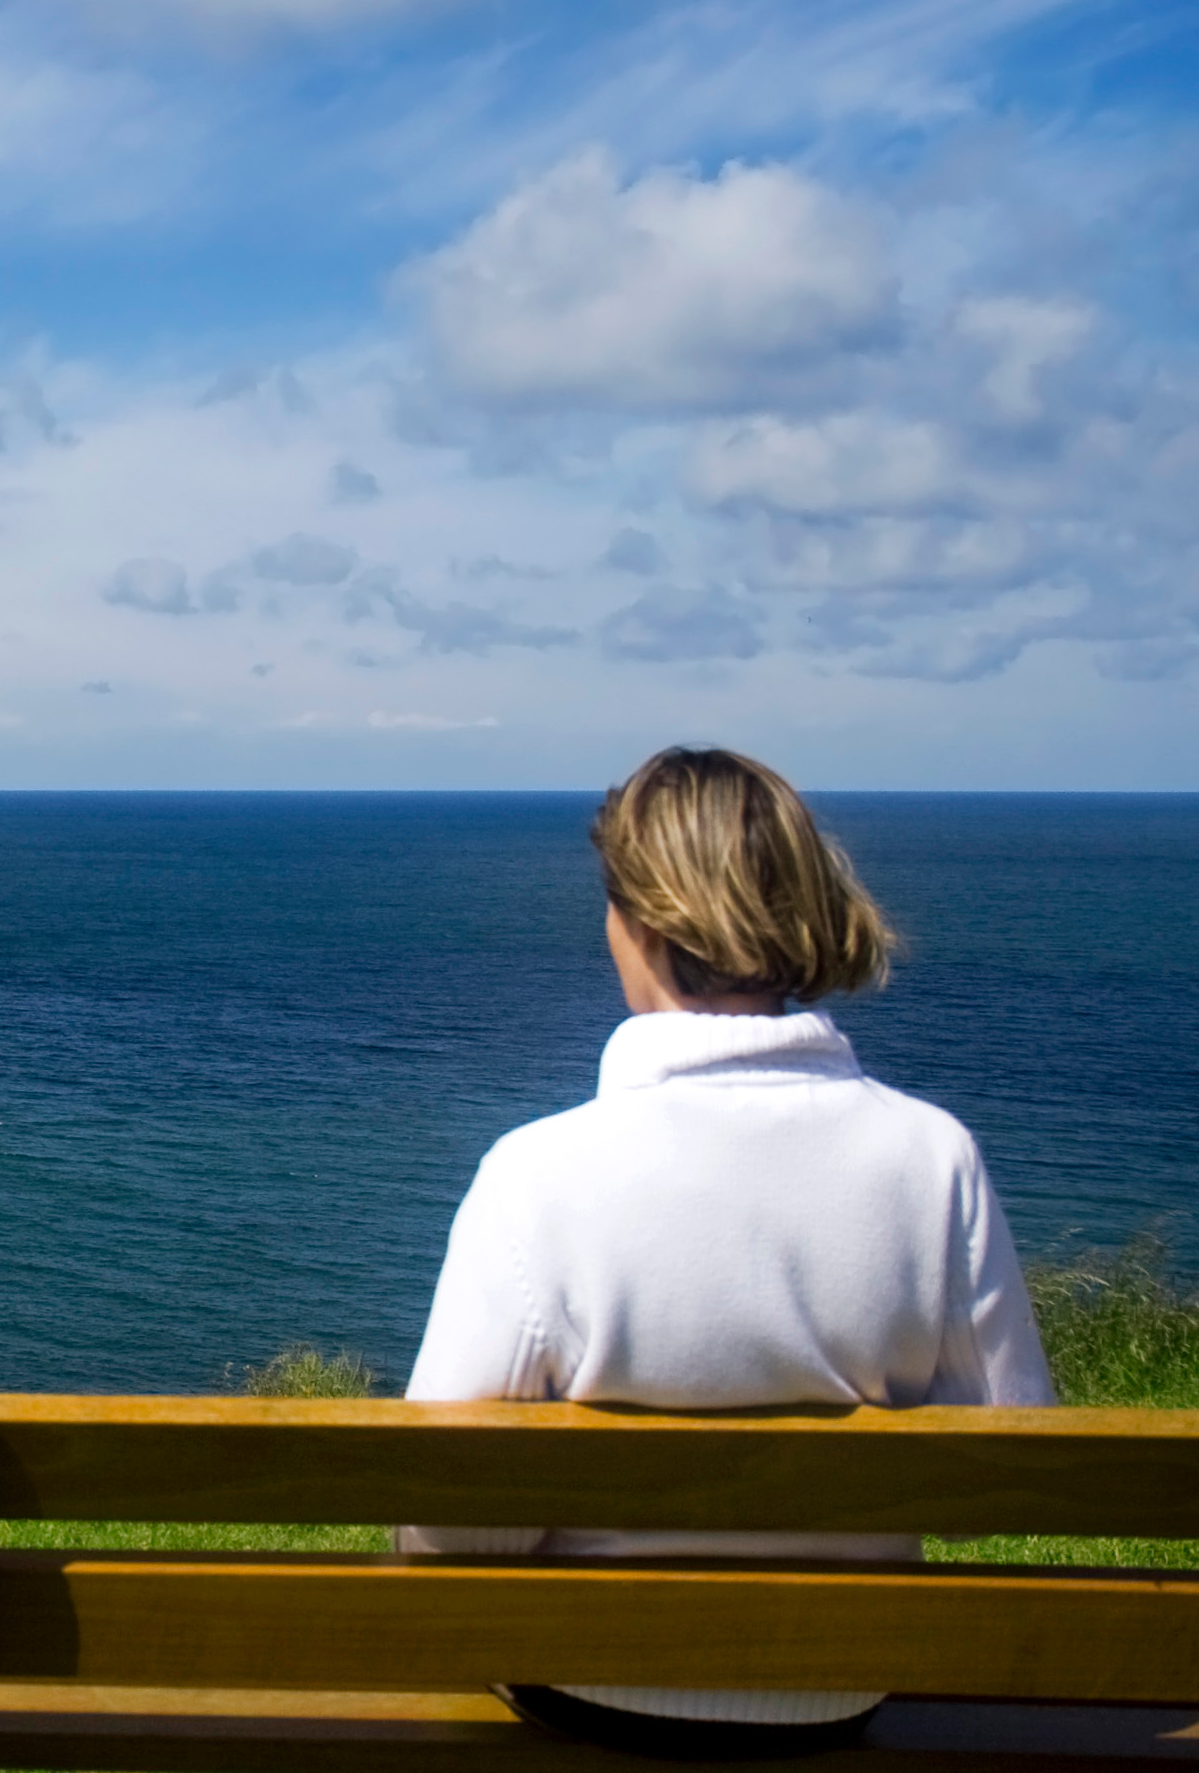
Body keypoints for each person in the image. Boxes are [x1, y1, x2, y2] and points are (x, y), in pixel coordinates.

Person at [405, 745, 1053, 1760]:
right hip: (840, 1688)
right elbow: (1005, 1470)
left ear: (646, 924)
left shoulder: (536, 1172)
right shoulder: (933, 1158)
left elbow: (444, 1520)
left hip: (588, 1685)